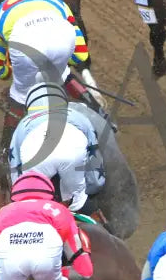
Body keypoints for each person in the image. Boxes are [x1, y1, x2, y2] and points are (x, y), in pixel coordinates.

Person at [0, 0, 89, 106]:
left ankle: (17, 114)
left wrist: (7, 72)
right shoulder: (56, 0)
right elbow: (81, 54)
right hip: (60, 47)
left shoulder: (0, 11)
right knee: (63, 73)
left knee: (19, 94)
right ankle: (97, 110)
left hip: (25, 56)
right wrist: (65, 60)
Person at [9, 82, 105, 213]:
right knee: (78, 200)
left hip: (35, 157)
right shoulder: (77, 115)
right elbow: (92, 152)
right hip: (71, 153)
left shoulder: (24, 123)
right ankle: (93, 219)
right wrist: (93, 186)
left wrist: (19, 193)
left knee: (32, 203)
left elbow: (15, 162)